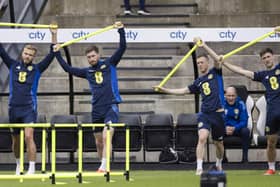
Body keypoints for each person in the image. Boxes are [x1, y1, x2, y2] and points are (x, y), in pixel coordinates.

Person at [53, 21, 126, 173]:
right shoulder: (87, 72)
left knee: (107, 135)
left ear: (98, 55)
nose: (91, 59)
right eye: (89, 57)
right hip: (96, 109)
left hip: (111, 106)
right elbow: (68, 69)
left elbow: (122, 48)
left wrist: (121, 31)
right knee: (99, 142)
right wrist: (57, 53)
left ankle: (104, 167)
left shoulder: (110, 63)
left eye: (93, 56)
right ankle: (103, 165)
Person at [154, 39, 225, 175]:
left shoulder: (215, 73)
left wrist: (203, 45)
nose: (199, 65)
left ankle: (219, 163)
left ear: (207, 62)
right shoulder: (198, 82)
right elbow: (184, 91)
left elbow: (218, 59)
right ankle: (199, 167)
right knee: (202, 138)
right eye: (198, 63)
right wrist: (165, 90)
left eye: (202, 62)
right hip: (205, 114)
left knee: (218, 144)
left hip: (218, 114)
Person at [0, 25, 57, 175]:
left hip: (28, 109)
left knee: (29, 136)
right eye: (26, 53)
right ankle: (19, 165)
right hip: (13, 108)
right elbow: (1, 49)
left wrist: (54, 35)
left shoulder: (37, 69)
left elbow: (52, 54)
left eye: (30, 55)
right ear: (22, 54)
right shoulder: (12, 65)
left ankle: (32, 168)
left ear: (33, 57)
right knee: (16, 141)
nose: (27, 56)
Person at [220, 36, 280, 175]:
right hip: (272, 112)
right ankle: (271, 168)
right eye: (264, 58)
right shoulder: (262, 74)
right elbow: (241, 71)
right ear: (262, 60)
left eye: (268, 56)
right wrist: (225, 62)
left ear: (274, 57)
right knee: (271, 142)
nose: (267, 59)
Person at [224, 86, 250, 163]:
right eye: (229, 96)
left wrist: (235, 128)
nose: (231, 98)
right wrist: (224, 128)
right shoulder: (221, 104)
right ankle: (222, 158)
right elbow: (218, 120)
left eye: (233, 96)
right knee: (217, 130)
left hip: (237, 129)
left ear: (236, 96)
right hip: (225, 129)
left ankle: (244, 159)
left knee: (246, 131)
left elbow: (244, 121)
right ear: (225, 95)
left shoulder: (241, 104)